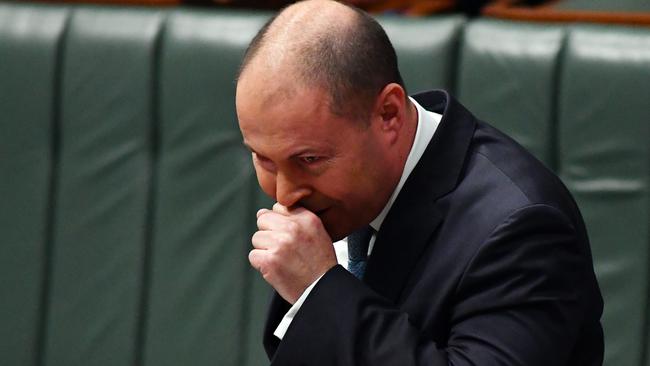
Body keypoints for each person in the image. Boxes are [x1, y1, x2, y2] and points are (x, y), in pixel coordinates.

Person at [235, 0, 604, 364]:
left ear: (389, 114)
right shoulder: (336, 198)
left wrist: (319, 290)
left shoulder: (522, 227)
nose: (284, 193)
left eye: (310, 160)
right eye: (263, 158)